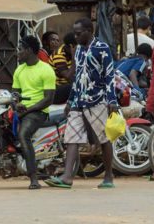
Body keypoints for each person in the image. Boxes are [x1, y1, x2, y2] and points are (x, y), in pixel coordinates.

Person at [45, 18, 119, 189]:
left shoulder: (102, 49)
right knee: (71, 137)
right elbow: (77, 78)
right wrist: (70, 101)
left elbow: (109, 76)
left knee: (103, 139)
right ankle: (67, 177)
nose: (76, 37)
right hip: (79, 100)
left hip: (98, 100)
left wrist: (112, 100)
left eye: (79, 34)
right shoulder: (78, 50)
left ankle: (108, 175)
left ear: (89, 31)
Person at [12, 36, 56, 189]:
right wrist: (16, 105)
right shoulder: (19, 70)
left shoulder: (46, 70)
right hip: (23, 111)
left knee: (23, 135)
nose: (18, 53)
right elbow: (15, 94)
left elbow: (48, 99)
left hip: (38, 111)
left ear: (29, 51)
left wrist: (27, 110)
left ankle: (33, 178)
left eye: (20, 49)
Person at [50, 32, 77, 104]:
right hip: (55, 92)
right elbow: (68, 76)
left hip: (65, 87)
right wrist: (74, 57)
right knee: (75, 86)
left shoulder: (70, 53)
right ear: (72, 46)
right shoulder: (58, 55)